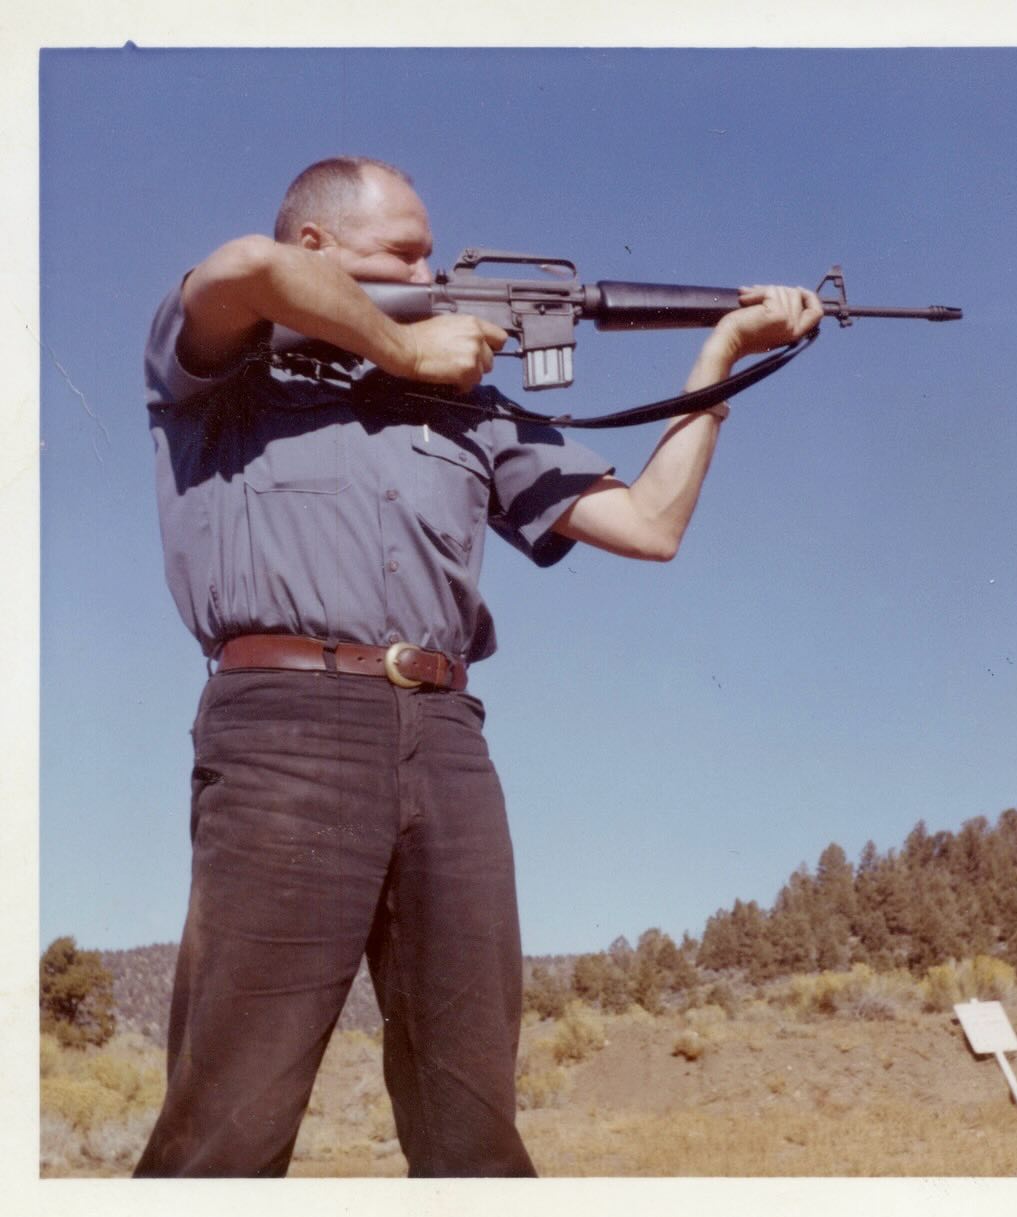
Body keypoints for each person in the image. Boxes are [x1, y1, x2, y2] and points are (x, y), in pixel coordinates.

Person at [134, 155, 822, 1178]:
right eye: (405, 253)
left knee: (473, 1126)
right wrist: (403, 345)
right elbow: (242, 267)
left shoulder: (470, 407)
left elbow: (647, 524)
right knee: (228, 1122)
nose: (431, 267)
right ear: (315, 246)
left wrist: (720, 357)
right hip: (285, 723)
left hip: (446, 739)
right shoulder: (232, 367)